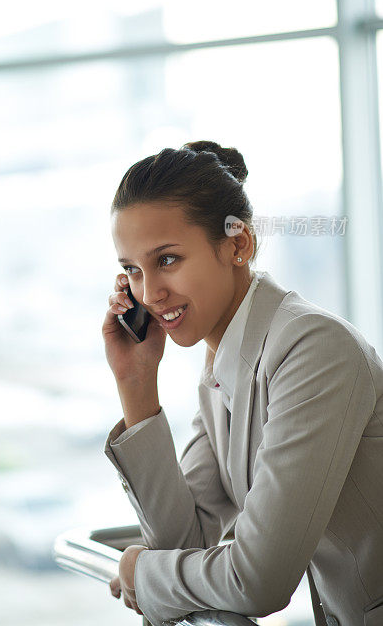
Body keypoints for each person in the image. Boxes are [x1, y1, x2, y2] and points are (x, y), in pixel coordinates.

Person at [101, 140, 383, 626]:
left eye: (167, 260)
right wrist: (136, 382)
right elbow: (185, 540)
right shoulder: (221, 372)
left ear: (238, 244)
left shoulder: (312, 349)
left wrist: (142, 573)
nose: (149, 293)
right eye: (132, 270)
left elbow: (259, 579)